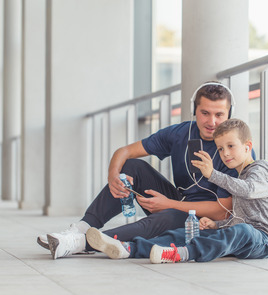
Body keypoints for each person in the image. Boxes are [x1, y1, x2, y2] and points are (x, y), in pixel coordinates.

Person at [39, 82, 243, 259]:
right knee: (132, 167)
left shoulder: (233, 147)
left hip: (207, 222)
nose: (212, 122)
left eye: (219, 115)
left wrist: (167, 204)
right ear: (194, 110)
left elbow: (223, 209)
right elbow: (125, 151)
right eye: (205, 113)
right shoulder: (180, 133)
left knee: (167, 217)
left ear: (229, 114)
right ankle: (81, 228)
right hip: (179, 202)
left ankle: (80, 243)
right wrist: (113, 177)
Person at [85, 118, 268, 263]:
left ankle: (182, 254)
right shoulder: (239, 176)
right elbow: (239, 219)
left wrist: (212, 174)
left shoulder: (261, 170)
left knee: (243, 231)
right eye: (221, 149)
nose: (225, 153)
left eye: (231, 146)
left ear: (247, 146)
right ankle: (129, 248)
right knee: (190, 231)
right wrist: (216, 225)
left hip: (264, 241)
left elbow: (248, 191)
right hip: (238, 236)